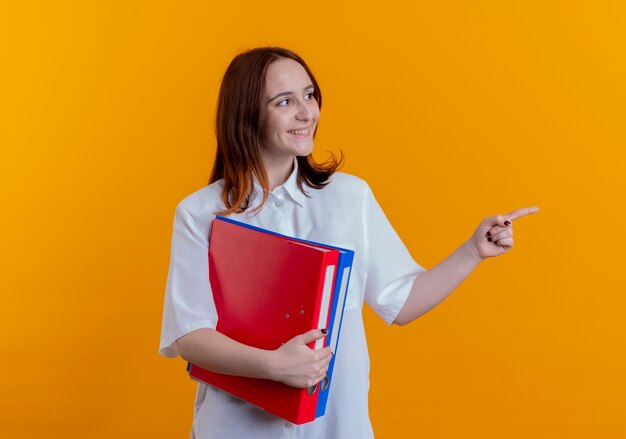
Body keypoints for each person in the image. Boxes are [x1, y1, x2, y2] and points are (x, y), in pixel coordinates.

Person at [159, 47, 539, 438]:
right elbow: (191, 335)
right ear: (246, 115)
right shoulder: (201, 213)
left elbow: (402, 300)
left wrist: (472, 250)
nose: (306, 113)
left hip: (337, 427)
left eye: (310, 95)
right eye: (285, 101)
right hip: (236, 428)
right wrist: (274, 366)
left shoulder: (349, 197)